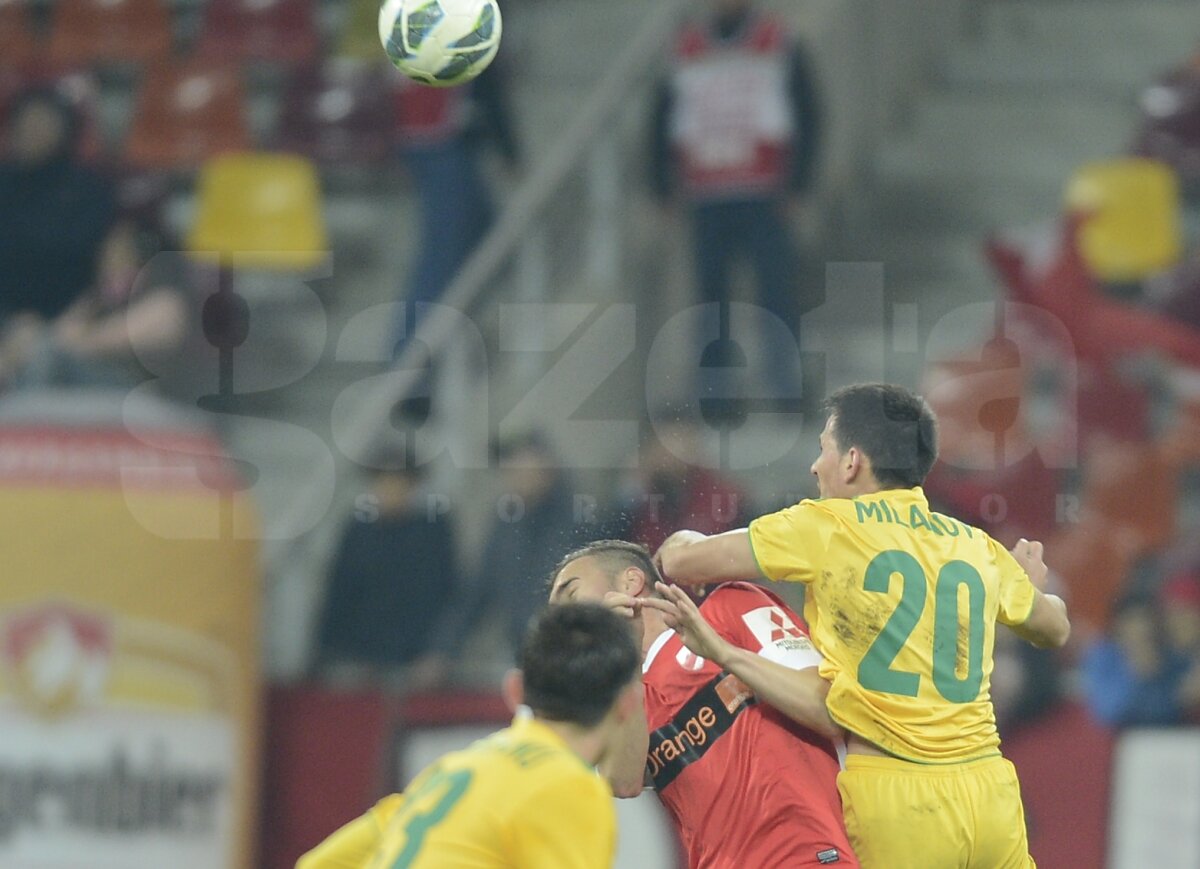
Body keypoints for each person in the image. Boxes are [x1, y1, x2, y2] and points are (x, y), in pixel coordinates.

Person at [653, 383, 1071, 869]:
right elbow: (1056, 629)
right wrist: (1034, 591)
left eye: (823, 449)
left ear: (852, 461)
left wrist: (679, 539)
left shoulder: (826, 526)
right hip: (990, 792)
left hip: (899, 799)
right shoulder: (975, 545)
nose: (815, 466)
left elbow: (682, 562)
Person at [549, 539, 858, 868]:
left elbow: (828, 711)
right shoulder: (625, 696)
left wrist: (723, 654)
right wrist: (625, 661)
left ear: (631, 582)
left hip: (807, 857)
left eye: (571, 595)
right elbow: (621, 783)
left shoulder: (730, 605)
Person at [297, 602, 641, 869]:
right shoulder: (569, 785)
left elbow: (316, 865)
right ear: (628, 703)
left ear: (515, 691)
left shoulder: (452, 772)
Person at [651, 0, 821, 401]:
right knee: (711, 298)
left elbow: (808, 112)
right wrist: (661, 185)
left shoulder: (778, 41)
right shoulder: (685, 47)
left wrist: (798, 184)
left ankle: (786, 385)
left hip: (764, 193)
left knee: (776, 292)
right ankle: (715, 391)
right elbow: (661, 119)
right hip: (708, 195)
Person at [312, 458, 459, 684]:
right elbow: (339, 594)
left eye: (398, 483)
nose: (390, 491)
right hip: (362, 659)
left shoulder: (432, 532)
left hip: (417, 661)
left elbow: (447, 594)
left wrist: (437, 651)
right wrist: (329, 653)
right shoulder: (358, 532)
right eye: (383, 482)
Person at [0, 87, 114, 327]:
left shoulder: (89, 191)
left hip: (64, 320)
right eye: (27, 122)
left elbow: (101, 267)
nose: (33, 131)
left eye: (44, 124)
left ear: (64, 132)